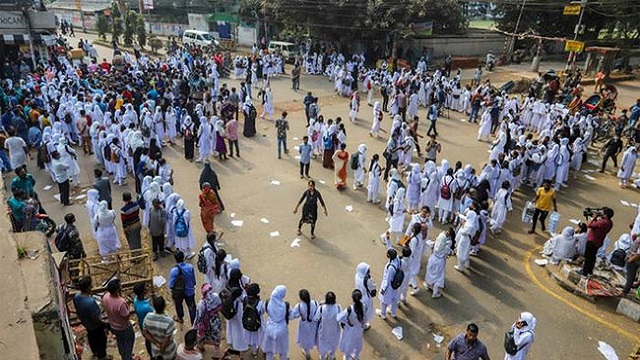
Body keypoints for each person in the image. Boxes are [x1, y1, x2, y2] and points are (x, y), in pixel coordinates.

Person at [73, 276, 108, 360]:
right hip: (96, 325)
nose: (92, 287)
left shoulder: (76, 296)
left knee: (92, 339)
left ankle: (96, 353)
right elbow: (96, 318)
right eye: (90, 285)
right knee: (101, 342)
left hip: (86, 323)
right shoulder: (90, 302)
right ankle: (102, 357)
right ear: (88, 287)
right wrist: (105, 324)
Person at [103, 279, 135, 360]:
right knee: (128, 343)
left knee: (120, 341)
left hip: (113, 326)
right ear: (117, 289)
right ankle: (127, 357)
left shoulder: (106, 296)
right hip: (124, 327)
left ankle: (123, 355)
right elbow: (126, 315)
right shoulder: (121, 302)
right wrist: (129, 305)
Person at [580, 207, 614, 276]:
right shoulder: (610, 223)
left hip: (592, 241)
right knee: (592, 257)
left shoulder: (602, 222)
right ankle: (589, 271)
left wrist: (593, 218)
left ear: (606, 215)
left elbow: (589, 225)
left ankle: (584, 272)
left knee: (588, 257)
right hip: (598, 242)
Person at [143, 295, 177, 360]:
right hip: (168, 352)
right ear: (165, 306)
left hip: (155, 350)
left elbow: (145, 333)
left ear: (153, 306)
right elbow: (167, 339)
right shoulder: (169, 321)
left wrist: (156, 343)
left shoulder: (148, 317)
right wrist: (161, 350)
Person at [193, 283, 222, 359]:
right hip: (215, 321)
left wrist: (195, 326)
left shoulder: (201, 304)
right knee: (216, 337)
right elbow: (220, 307)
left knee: (202, 336)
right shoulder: (216, 297)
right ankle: (217, 354)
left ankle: (201, 346)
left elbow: (198, 317)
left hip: (205, 324)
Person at [261, 285, 291, 360]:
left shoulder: (268, 302)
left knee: (269, 351)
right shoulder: (286, 305)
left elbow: (262, 310)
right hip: (282, 330)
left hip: (269, 329)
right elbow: (292, 315)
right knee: (283, 352)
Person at [425, 228, 454, 298]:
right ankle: (435, 292)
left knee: (430, 272)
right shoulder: (447, 245)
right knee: (438, 276)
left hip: (433, 258)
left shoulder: (438, 242)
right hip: (440, 261)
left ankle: (428, 284)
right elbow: (450, 252)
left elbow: (432, 244)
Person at [170, 250, 197, 324]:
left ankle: (180, 318)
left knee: (178, 305)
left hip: (179, 293)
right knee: (192, 307)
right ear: (184, 257)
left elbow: (171, 285)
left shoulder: (174, 270)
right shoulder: (190, 267)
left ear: (175, 259)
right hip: (190, 292)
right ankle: (194, 323)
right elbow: (194, 280)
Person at [338, 289, 367, 360]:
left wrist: (347, 322)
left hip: (350, 330)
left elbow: (339, 318)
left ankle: (347, 357)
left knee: (348, 344)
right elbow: (364, 318)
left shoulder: (349, 309)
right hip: (359, 329)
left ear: (352, 298)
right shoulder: (363, 306)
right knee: (358, 344)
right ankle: (356, 356)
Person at [314, 291, 341, 360]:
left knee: (322, 344)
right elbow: (341, 318)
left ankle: (323, 357)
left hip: (323, 331)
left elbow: (316, 318)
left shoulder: (322, 308)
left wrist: (320, 305)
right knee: (333, 344)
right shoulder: (338, 307)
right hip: (335, 331)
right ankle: (332, 356)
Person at [377, 248, 400, 320]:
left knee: (383, 301)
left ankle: (383, 314)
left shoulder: (390, 267)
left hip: (389, 286)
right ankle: (393, 313)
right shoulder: (397, 260)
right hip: (395, 285)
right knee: (394, 300)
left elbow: (387, 280)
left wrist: (383, 289)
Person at [133, 283, 154, 357]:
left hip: (142, 323)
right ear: (143, 292)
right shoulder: (146, 308)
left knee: (147, 340)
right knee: (152, 340)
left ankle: (151, 354)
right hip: (149, 327)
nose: (147, 288)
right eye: (145, 287)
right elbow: (155, 313)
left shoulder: (135, 299)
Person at [354, 262, 376, 329]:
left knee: (359, 310)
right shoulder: (367, 280)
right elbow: (373, 287)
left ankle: (359, 322)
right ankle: (364, 325)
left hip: (358, 295)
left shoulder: (357, 275)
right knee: (365, 312)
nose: (369, 271)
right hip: (365, 297)